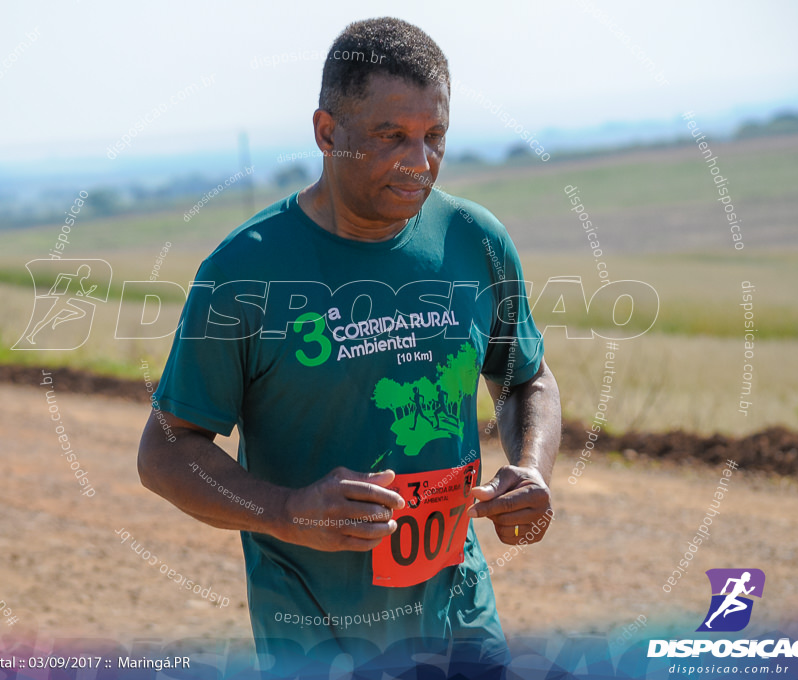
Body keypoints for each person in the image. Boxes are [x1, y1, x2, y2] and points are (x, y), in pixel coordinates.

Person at [137, 16, 561, 678]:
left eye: (435, 136)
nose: (419, 162)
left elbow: (525, 380)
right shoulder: (243, 272)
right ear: (327, 133)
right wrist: (287, 512)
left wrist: (532, 467)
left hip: (462, 620)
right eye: (392, 137)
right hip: (315, 633)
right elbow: (165, 451)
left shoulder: (474, 240)